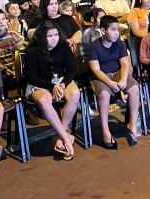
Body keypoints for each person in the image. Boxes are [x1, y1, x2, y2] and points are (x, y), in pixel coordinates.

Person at [22, 20, 80, 159]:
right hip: (40, 83)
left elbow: (71, 69)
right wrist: (51, 87)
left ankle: (59, 136)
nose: (54, 38)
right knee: (44, 99)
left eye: (56, 34)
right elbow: (30, 76)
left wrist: (62, 84)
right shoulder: (33, 50)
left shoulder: (63, 46)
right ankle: (66, 138)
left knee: (74, 94)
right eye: (49, 36)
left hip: (60, 80)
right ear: (42, 37)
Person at [88, 15, 141, 148]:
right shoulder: (94, 47)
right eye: (113, 29)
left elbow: (124, 64)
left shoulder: (120, 44)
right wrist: (110, 83)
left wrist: (123, 79)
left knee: (134, 88)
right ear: (103, 31)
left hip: (117, 73)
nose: (116, 33)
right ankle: (105, 130)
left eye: (117, 29)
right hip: (101, 76)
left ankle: (132, 124)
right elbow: (96, 70)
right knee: (104, 95)